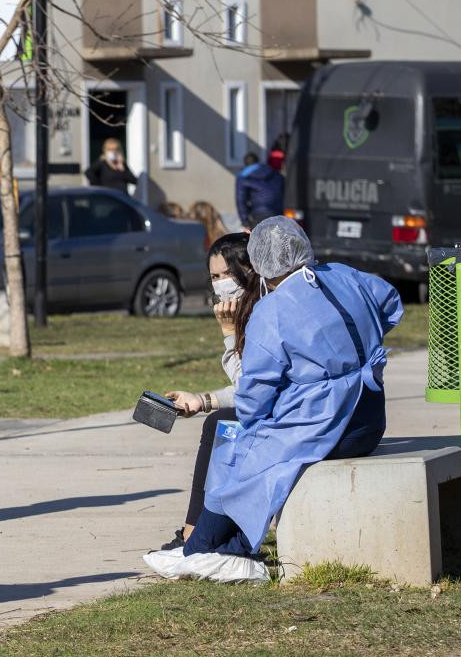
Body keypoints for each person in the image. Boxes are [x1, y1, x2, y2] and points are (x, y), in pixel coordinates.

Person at [143, 217, 402, 583]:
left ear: (261, 265)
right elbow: (391, 304)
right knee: (248, 444)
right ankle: (212, 549)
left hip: (328, 427)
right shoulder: (344, 275)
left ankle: (200, 549)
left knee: (242, 450)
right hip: (370, 419)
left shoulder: (274, 310)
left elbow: (251, 403)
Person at [156, 233, 260, 549]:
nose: (221, 284)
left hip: (292, 418)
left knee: (220, 425)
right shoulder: (245, 310)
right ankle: (196, 530)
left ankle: (194, 532)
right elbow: (251, 390)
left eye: (228, 274)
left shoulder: (264, 312)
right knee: (218, 421)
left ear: (250, 271)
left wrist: (229, 335)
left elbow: (250, 390)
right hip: (275, 410)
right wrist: (201, 400)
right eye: (215, 277)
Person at [234, 152, 284, 228]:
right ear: (258, 161)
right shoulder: (273, 172)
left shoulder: (243, 177)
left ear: (245, 164)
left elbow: (241, 201)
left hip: (259, 214)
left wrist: (245, 222)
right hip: (278, 212)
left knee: (261, 238)